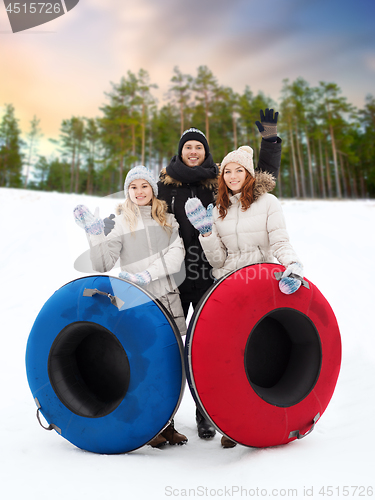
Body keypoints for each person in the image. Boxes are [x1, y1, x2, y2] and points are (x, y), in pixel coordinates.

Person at [157, 109, 282, 440]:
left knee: (213, 349)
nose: (194, 152)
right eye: (188, 147)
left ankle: (206, 414)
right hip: (175, 278)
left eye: (199, 147)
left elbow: (260, 181)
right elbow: (141, 211)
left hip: (214, 276)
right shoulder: (164, 183)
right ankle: (162, 419)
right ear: (180, 151)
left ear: (206, 152)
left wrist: (269, 141)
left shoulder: (219, 181)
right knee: (166, 347)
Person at [184, 145, 304, 448]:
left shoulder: (268, 202)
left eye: (239, 170)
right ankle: (230, 423)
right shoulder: (219, 209)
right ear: (222, 176)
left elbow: (279, 239)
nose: (234, 175)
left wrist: (292, 264)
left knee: (259, 351)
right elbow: (218, 262)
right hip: (230, 288)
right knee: (229, 359)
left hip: (262, 285)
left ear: (249, 173)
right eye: (228, 170)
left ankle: (261, 419)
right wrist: (207, 234)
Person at [73, 165, 188, 449]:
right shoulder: (121, 222)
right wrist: (96, 234)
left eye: (144, 186)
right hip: (137, 303)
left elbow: (177, 255)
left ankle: (169, 424)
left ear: (153, 190)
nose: (139, 192)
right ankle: (152, 428)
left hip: (167, 300)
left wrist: (147, 274)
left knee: (172, 366)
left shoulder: (168, 221)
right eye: (133, 187)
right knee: (145, 364)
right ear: (127, 191)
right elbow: (103, 264)